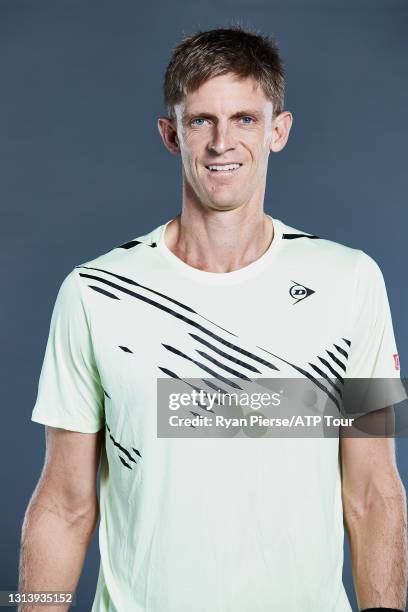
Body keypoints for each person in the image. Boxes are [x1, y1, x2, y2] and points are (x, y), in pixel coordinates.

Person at [20, 26, 407, 612]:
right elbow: (64, 504)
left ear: (279, 130)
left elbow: (374, 491)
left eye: (245, 119)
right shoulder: (95, 292)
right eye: (201, 120)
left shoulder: (350, 282)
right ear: (171, 134)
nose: (222, 141)